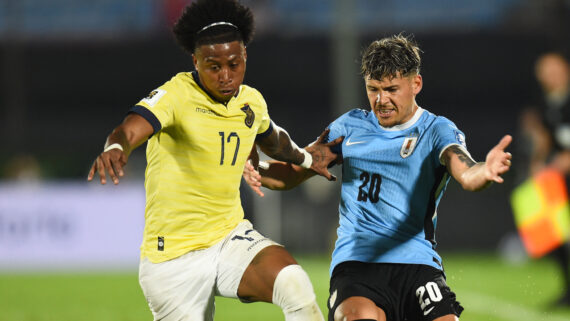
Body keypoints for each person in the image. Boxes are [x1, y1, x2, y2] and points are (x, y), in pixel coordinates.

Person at [87, 0, 341, 320]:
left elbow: (277, 144)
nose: (225, 76)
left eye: (233, 64)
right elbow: (130, 129)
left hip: (228, 237)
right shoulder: (176, 95)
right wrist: (115, 148)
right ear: (195, 61)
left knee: (293, 283)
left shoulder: (251, 102)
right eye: (213, 66)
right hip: (172, 259)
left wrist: (307, 160)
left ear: (245, 56)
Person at [243, 34, 513, 321]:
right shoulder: (350, 127)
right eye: (373, 89)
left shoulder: (436, 130)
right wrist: (252, 169)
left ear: (415, 84)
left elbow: (467, 173)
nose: (381, 100)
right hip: (357, 265)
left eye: (391, 89)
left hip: (417, 264)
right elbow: (292, 174)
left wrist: (485, 170)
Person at [518, 52, 570, 306]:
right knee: (556, 237)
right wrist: (538, 164)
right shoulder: (548, 104)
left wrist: (563, 161)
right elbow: (548, 138)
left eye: (555, 70)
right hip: (560, 182)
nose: (551, 76)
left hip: (563, 171)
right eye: (545, 72)